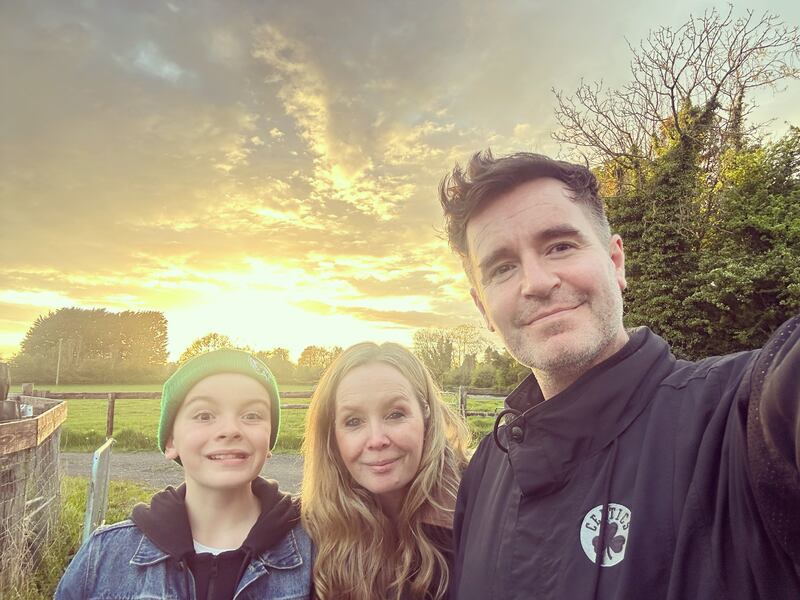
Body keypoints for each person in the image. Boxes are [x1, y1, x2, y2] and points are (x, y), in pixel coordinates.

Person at [437, 150, 800, 599]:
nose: (536, 281)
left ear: (615, 262)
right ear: (482, 308)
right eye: (502, 267)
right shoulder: (487, 470)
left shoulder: (736, 423)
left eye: (560, 246)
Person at [55, 349, 313, 600]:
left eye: (252, 415)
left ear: (268, 442)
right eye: (204, 415)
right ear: (170, 441)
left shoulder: (320, 550)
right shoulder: (104, 555)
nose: (230, 429)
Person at [301, 342, 470, 600]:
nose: (377, 439)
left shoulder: (477, 511)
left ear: (426, 416)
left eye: (395, 414)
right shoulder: (310, 534)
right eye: (354, 421)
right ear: (332, 436)